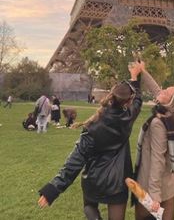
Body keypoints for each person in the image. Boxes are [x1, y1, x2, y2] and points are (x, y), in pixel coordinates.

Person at [38, 62, 142, 220]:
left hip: (93, 180)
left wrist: (53, 189)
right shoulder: (128, 118)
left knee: (89, 206)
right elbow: (138, 101)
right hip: (118, 182)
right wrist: (135, 77)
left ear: (110, 96)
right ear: (127, 102)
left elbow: (75, 160)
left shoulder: (92, 127)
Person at [134, 62, 174, 220]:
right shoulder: (171, 118)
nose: (162, 90)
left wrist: (154, 196)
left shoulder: (158, 123)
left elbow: (157, 160)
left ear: (170, 102)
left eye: (166, 91)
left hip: (153, 186)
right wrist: (143, 71)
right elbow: (157, 90)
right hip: (170, 183)